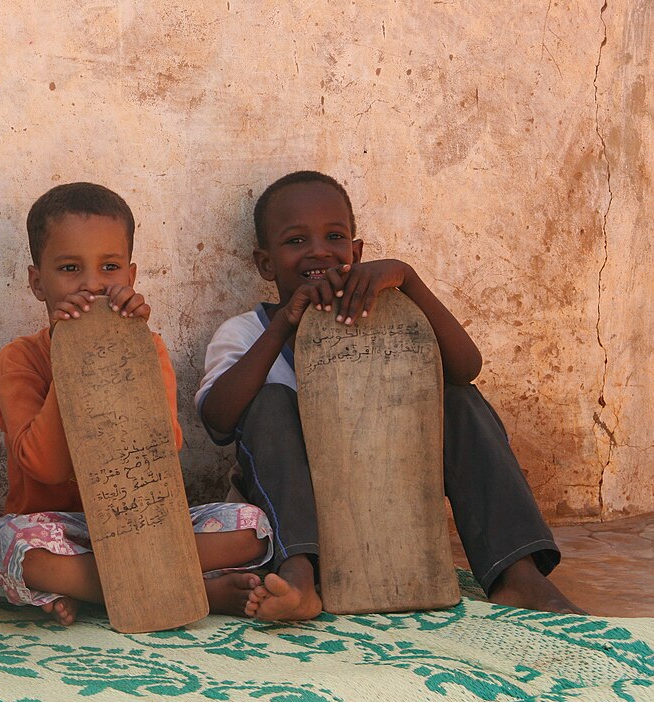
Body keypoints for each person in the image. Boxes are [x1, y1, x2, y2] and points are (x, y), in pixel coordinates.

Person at [196, 170, 583, 622]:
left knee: (457, 398)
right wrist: (285, 323)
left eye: (334, 236)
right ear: (266, 263)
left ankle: (518, 575)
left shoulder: (392, 320)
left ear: (356, 252)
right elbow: (219, 422)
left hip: (384, 498)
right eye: (296, 240)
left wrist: (408, 280)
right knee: (270, 399)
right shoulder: (246, 333)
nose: (319, 250)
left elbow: (466, 368)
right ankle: (298, 576)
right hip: (293, 517)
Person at [0, 182, 273, 626]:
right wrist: (74, 358)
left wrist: (129, 351)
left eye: (110, 267)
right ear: (37, 283)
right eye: (70, 268)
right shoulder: (20, 359)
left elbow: (162, 453)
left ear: (131, 277)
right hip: (61, 533)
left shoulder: (150, 348)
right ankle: (180, 587)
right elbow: (43, 468)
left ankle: (88, 590)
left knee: (251, 528)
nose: (92, 284)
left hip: (143, 525)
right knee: (13, 551)